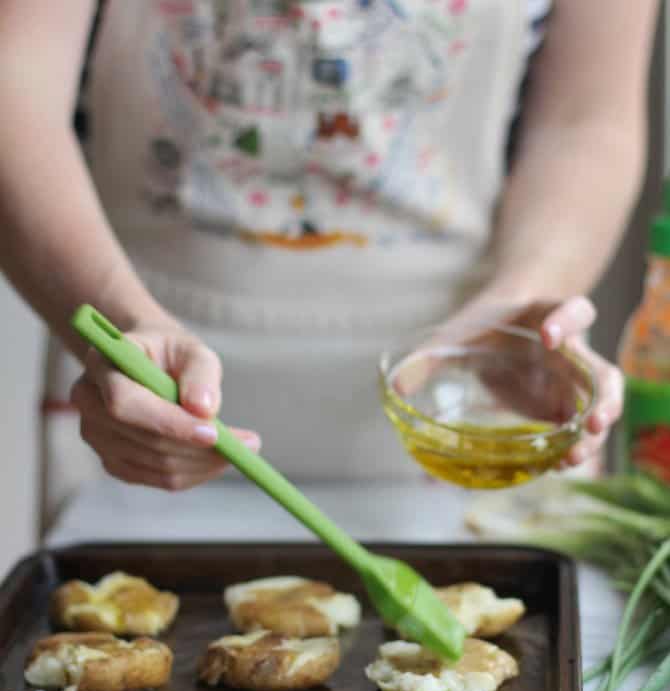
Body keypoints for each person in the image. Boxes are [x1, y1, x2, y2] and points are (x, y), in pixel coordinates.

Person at [0, 0, 659, 521]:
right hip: (145, 389)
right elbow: (13, 92)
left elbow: (585, 120)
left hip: (468, 401)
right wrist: (124, 326)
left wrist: (522, 308)